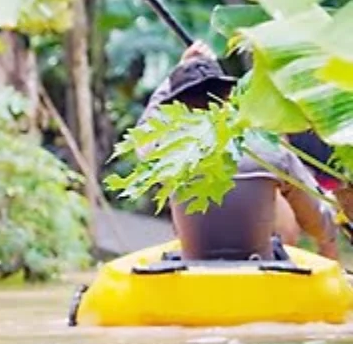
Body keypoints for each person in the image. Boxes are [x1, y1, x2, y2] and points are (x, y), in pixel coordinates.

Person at [137, 42, 340, 261]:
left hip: (194, 264)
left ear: (177, 108)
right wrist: (328, 234)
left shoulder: (167, 150)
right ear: (227, 99)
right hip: (259, 265)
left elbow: (144, 130)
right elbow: (318, 218)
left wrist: (174, 75)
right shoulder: (269, 149)